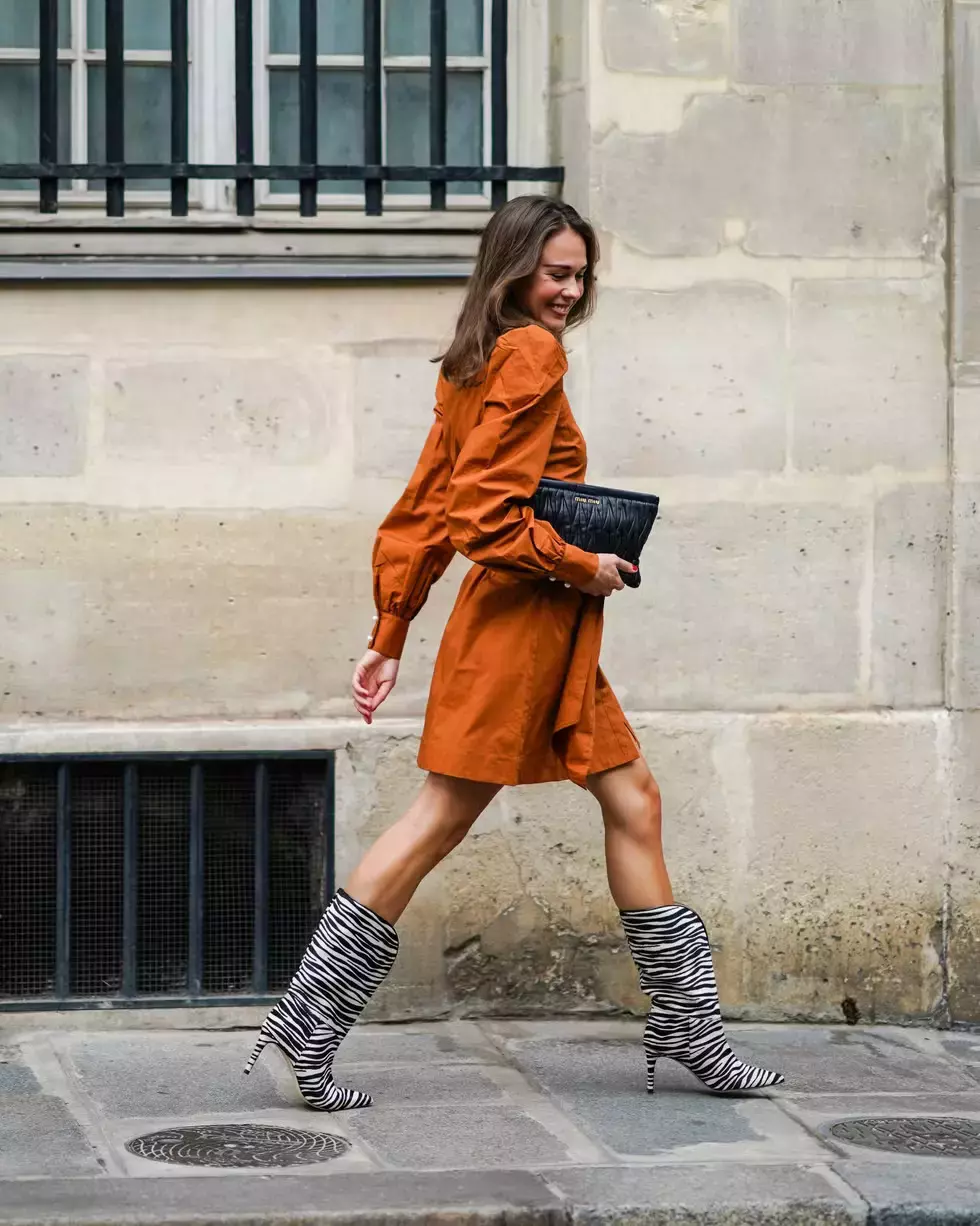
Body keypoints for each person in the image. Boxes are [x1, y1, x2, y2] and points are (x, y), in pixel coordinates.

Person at [244, 195, 784, 1109]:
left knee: (634, 798)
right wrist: (586, 565)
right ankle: (306, 1025)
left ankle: (691, 1030)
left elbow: (421, 509)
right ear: (514, 269)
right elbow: (476, 517)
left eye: (581, 276)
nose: (570, 291)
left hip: (543, 631)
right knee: (439, 820)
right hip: (521, 629)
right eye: (556, 273)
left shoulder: (474, 359)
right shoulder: (529, 352)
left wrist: (390, 635)